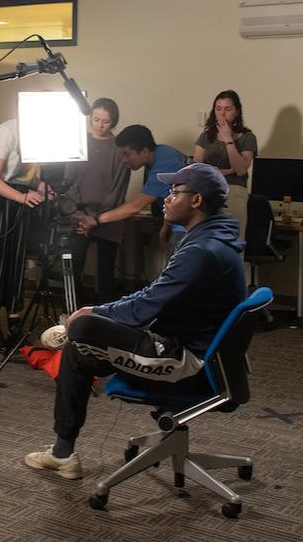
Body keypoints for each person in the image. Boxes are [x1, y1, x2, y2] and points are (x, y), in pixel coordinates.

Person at [24, 163, 245, 479]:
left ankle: (62, 452)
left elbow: (145, 307)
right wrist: (98, 312)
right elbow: (153, 297)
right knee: (81, 345)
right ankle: (62, 449)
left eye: (174, 192)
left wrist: (91, 313)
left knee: (83, 333)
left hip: (186, 362)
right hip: (198, 350)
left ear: (196, 201)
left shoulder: (202, 250)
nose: (166, 199)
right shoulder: (213, 238)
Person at [0, 117, 50, 352]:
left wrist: (45, 188)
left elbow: (30, 175)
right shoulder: (6, 132)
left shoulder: (44, 133)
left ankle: (15, 324)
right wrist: (21, 197)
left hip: (22, 194)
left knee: (17, 259)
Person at [65, 98, 129, 304]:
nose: (100, 125)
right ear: (90, 118)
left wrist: (97, 218)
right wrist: (81, 215)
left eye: (106, 121)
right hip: (79, 217)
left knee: (105, 272)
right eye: (96, 119)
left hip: (107, 218)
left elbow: (117, 190)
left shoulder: (120, 148)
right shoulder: (77, 142)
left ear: (114, 122)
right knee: (73, 267)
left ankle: (103, 319)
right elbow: (70, 180)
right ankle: (78, 311)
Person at [77, 125, 185, 247]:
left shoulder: (166, 163)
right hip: (180, 224)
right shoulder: (161, 154)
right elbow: (171, 195)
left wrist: (96, 219)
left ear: (144, 151)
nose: (123, 160)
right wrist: (167, 225)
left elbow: (135, 206)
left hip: (188, 228)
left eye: (127, 154)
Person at [194, 90, 257, 239]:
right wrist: (227, 170)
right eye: (218, 108)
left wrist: (228, 139)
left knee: (231, 241)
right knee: (205, 241)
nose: (222, 113)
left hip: (233, 190)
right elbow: (197, 169)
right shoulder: (205, 137)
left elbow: (241, 170)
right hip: (208, 191)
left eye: (228, 109)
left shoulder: (247, 137)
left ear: (236, 112)